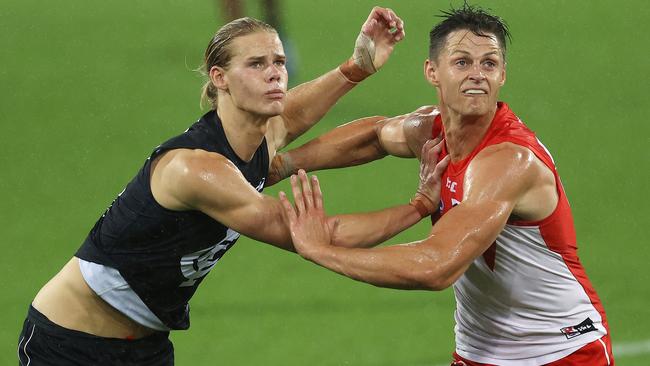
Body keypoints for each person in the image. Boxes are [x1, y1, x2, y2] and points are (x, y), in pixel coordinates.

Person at [16, 7, 444, 365]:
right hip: (69, 344)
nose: (275, 74)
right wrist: (421, 204)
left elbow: (295, 117)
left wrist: (356, 68)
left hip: (146, 347)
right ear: (219, 78)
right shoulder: (197, 171)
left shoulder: (255, 140)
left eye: (278, 62)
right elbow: (320, 237)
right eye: (256, 65)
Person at [275, 4, 614, 365]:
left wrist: (322, 252)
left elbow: (437, 265)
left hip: (560, 351)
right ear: (432, 72)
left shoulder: (508, 161)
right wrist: (281, 165)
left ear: (502, 75)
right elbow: (375, 136)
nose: (477, 74)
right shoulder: (433, 132)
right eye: (462, 62)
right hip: (478, 352)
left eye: (489, 63)